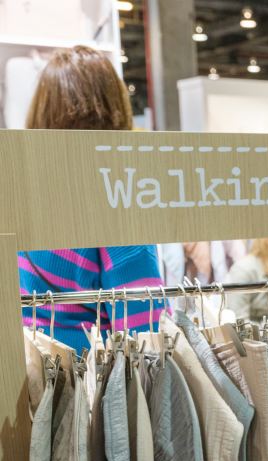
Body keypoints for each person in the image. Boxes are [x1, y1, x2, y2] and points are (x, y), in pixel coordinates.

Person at [18, 45, 164, 351]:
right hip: (94, 387)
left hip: (31, 376)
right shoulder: (115, 204)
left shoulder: (21, 196)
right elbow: (147, 338)